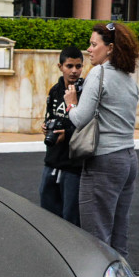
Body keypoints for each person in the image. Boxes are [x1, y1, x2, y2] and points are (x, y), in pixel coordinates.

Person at [67, 22, 139, 259]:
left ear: (109, 48)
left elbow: (79, 118)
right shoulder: (128, 77)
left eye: (93, 44)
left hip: (104, 161)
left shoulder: (99, 73)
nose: (89, 49)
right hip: (128, 159)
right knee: (119, 232)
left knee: (96, 236)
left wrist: (71, 101)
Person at [38, 47, 84, 226]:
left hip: (74, 165)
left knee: (71, 219)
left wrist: (68, 134)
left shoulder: (86, 91)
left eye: (78, 66)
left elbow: (88, 127)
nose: (74, 71)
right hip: (52, 161)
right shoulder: (55, 91)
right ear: (60, 66)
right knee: (47, 215)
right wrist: (46, 127)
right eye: (69, 66)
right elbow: (50, 117)